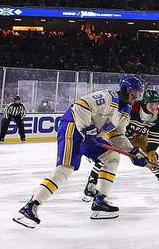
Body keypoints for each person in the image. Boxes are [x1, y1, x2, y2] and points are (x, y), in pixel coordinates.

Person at [13, 76, 149, 227]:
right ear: (124, 90)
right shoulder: (109, 97)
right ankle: (31, 206)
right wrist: (86, 129)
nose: (136, 97)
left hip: (91, 136)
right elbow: (81, 105)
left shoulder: (125, 112)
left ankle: (99, 201)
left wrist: (132, 152)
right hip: (72, 127)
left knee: (112, 157)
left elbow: (117, 135)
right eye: (134, 93)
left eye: (138, 94)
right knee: (66, 168)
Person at [82, 87, 159, 196]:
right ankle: (92, 181)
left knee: (149, 158)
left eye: (156, 104)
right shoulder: (132, 108)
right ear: (145, 102)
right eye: (151, 104)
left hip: (138, 138)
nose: (154, 107)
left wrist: (151, 150)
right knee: (107, 156)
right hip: (117, 134)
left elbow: (155, 135)